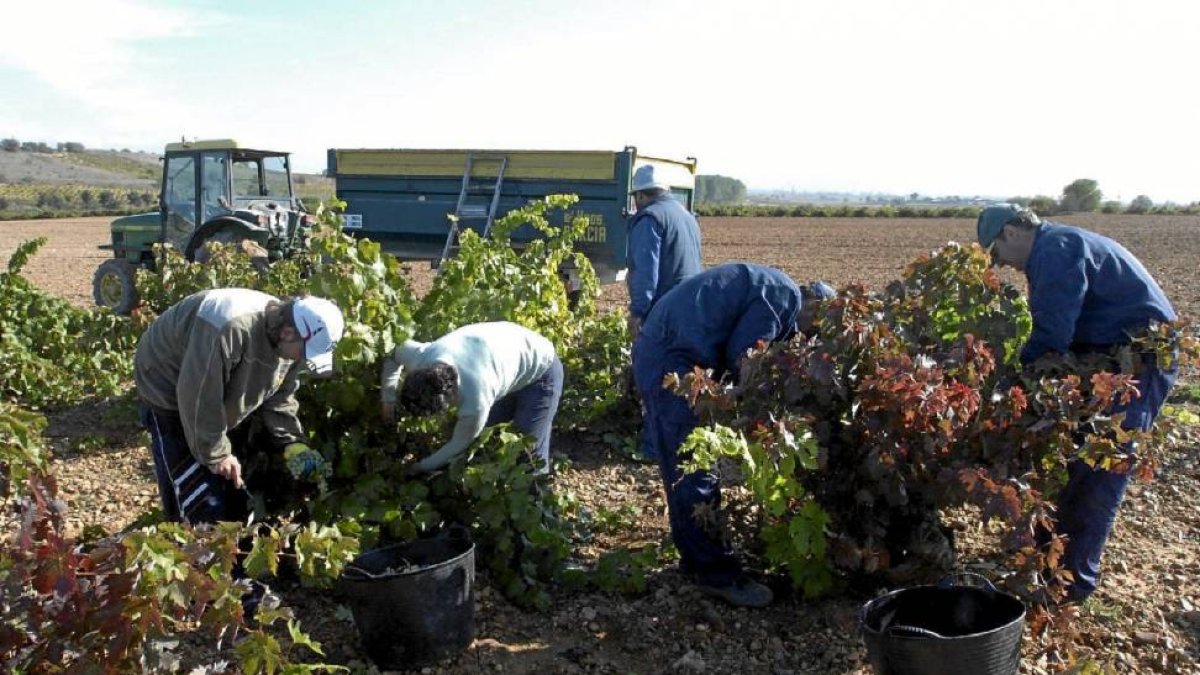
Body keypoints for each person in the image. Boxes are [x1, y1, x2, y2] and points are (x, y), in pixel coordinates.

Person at [977, 203, 1177, 602]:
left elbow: (1052, 334)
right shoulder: (1055, 245)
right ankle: (1047, 562)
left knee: (1100, 466)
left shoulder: (1056, 249)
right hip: (1107, 358)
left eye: (997, 254)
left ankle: (1070, 587)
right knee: (1069, 461)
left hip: (1138, 363)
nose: (1003, 265)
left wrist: (1008, 381)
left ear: (1011, 233)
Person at [633, 263, 835, 607]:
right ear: (813, 307)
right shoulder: (784, 297)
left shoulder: (777, 289)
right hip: (674, 363)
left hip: (664, 352)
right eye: (813, 331)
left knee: (682, 469)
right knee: (696, 468)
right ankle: (718, 575)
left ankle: (696, 561)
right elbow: (747, 359)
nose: (806, 340)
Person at [135, 289, 343, 622]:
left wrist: (292, 443)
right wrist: (216, 453)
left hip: (213, 391)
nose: (304, 360)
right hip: (169, 390)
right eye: (305, 352)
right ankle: (215, 590)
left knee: (233, 490)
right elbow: (197, 397)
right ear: (288, 332)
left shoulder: (288, 345)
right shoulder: (227, 327)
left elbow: (280, 396)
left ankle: (230, 566)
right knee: (197, 490)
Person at [380, 321, 563, 474]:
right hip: (508, 351)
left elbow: (458, 443)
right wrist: (388, 400)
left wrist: (419, 467)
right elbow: (393, 355)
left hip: (542, 369)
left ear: (448, 399)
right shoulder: (422, 357)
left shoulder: (476, 403)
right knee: (485, 437)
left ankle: (537, 501)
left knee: (527, 454)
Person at [626, 164, 703, 339]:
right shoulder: (687, 216)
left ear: (640, 195)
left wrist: (638, 313)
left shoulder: (650, 219)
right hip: (694, 306)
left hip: (667, 311)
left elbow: (645, 272)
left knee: (655, 356)